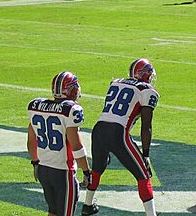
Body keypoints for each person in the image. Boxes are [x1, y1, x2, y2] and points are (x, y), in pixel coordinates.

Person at [81, 59, 160, 216]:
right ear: (145, 75)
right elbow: (146, 126)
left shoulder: (115, 82)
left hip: (98, 129)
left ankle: (87, 205)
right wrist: (146, 154)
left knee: (97, 169)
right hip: (118, 132)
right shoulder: (147, 90)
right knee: (143, 175)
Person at [27, 71, 91, 216]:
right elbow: (77, 147)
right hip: (63, 172)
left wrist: (35, 162)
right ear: (70, 90)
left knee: (53, 212)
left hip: (44, 169)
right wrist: (87, 171)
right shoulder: (70, 110)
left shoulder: (36, 106)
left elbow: (31, 142)